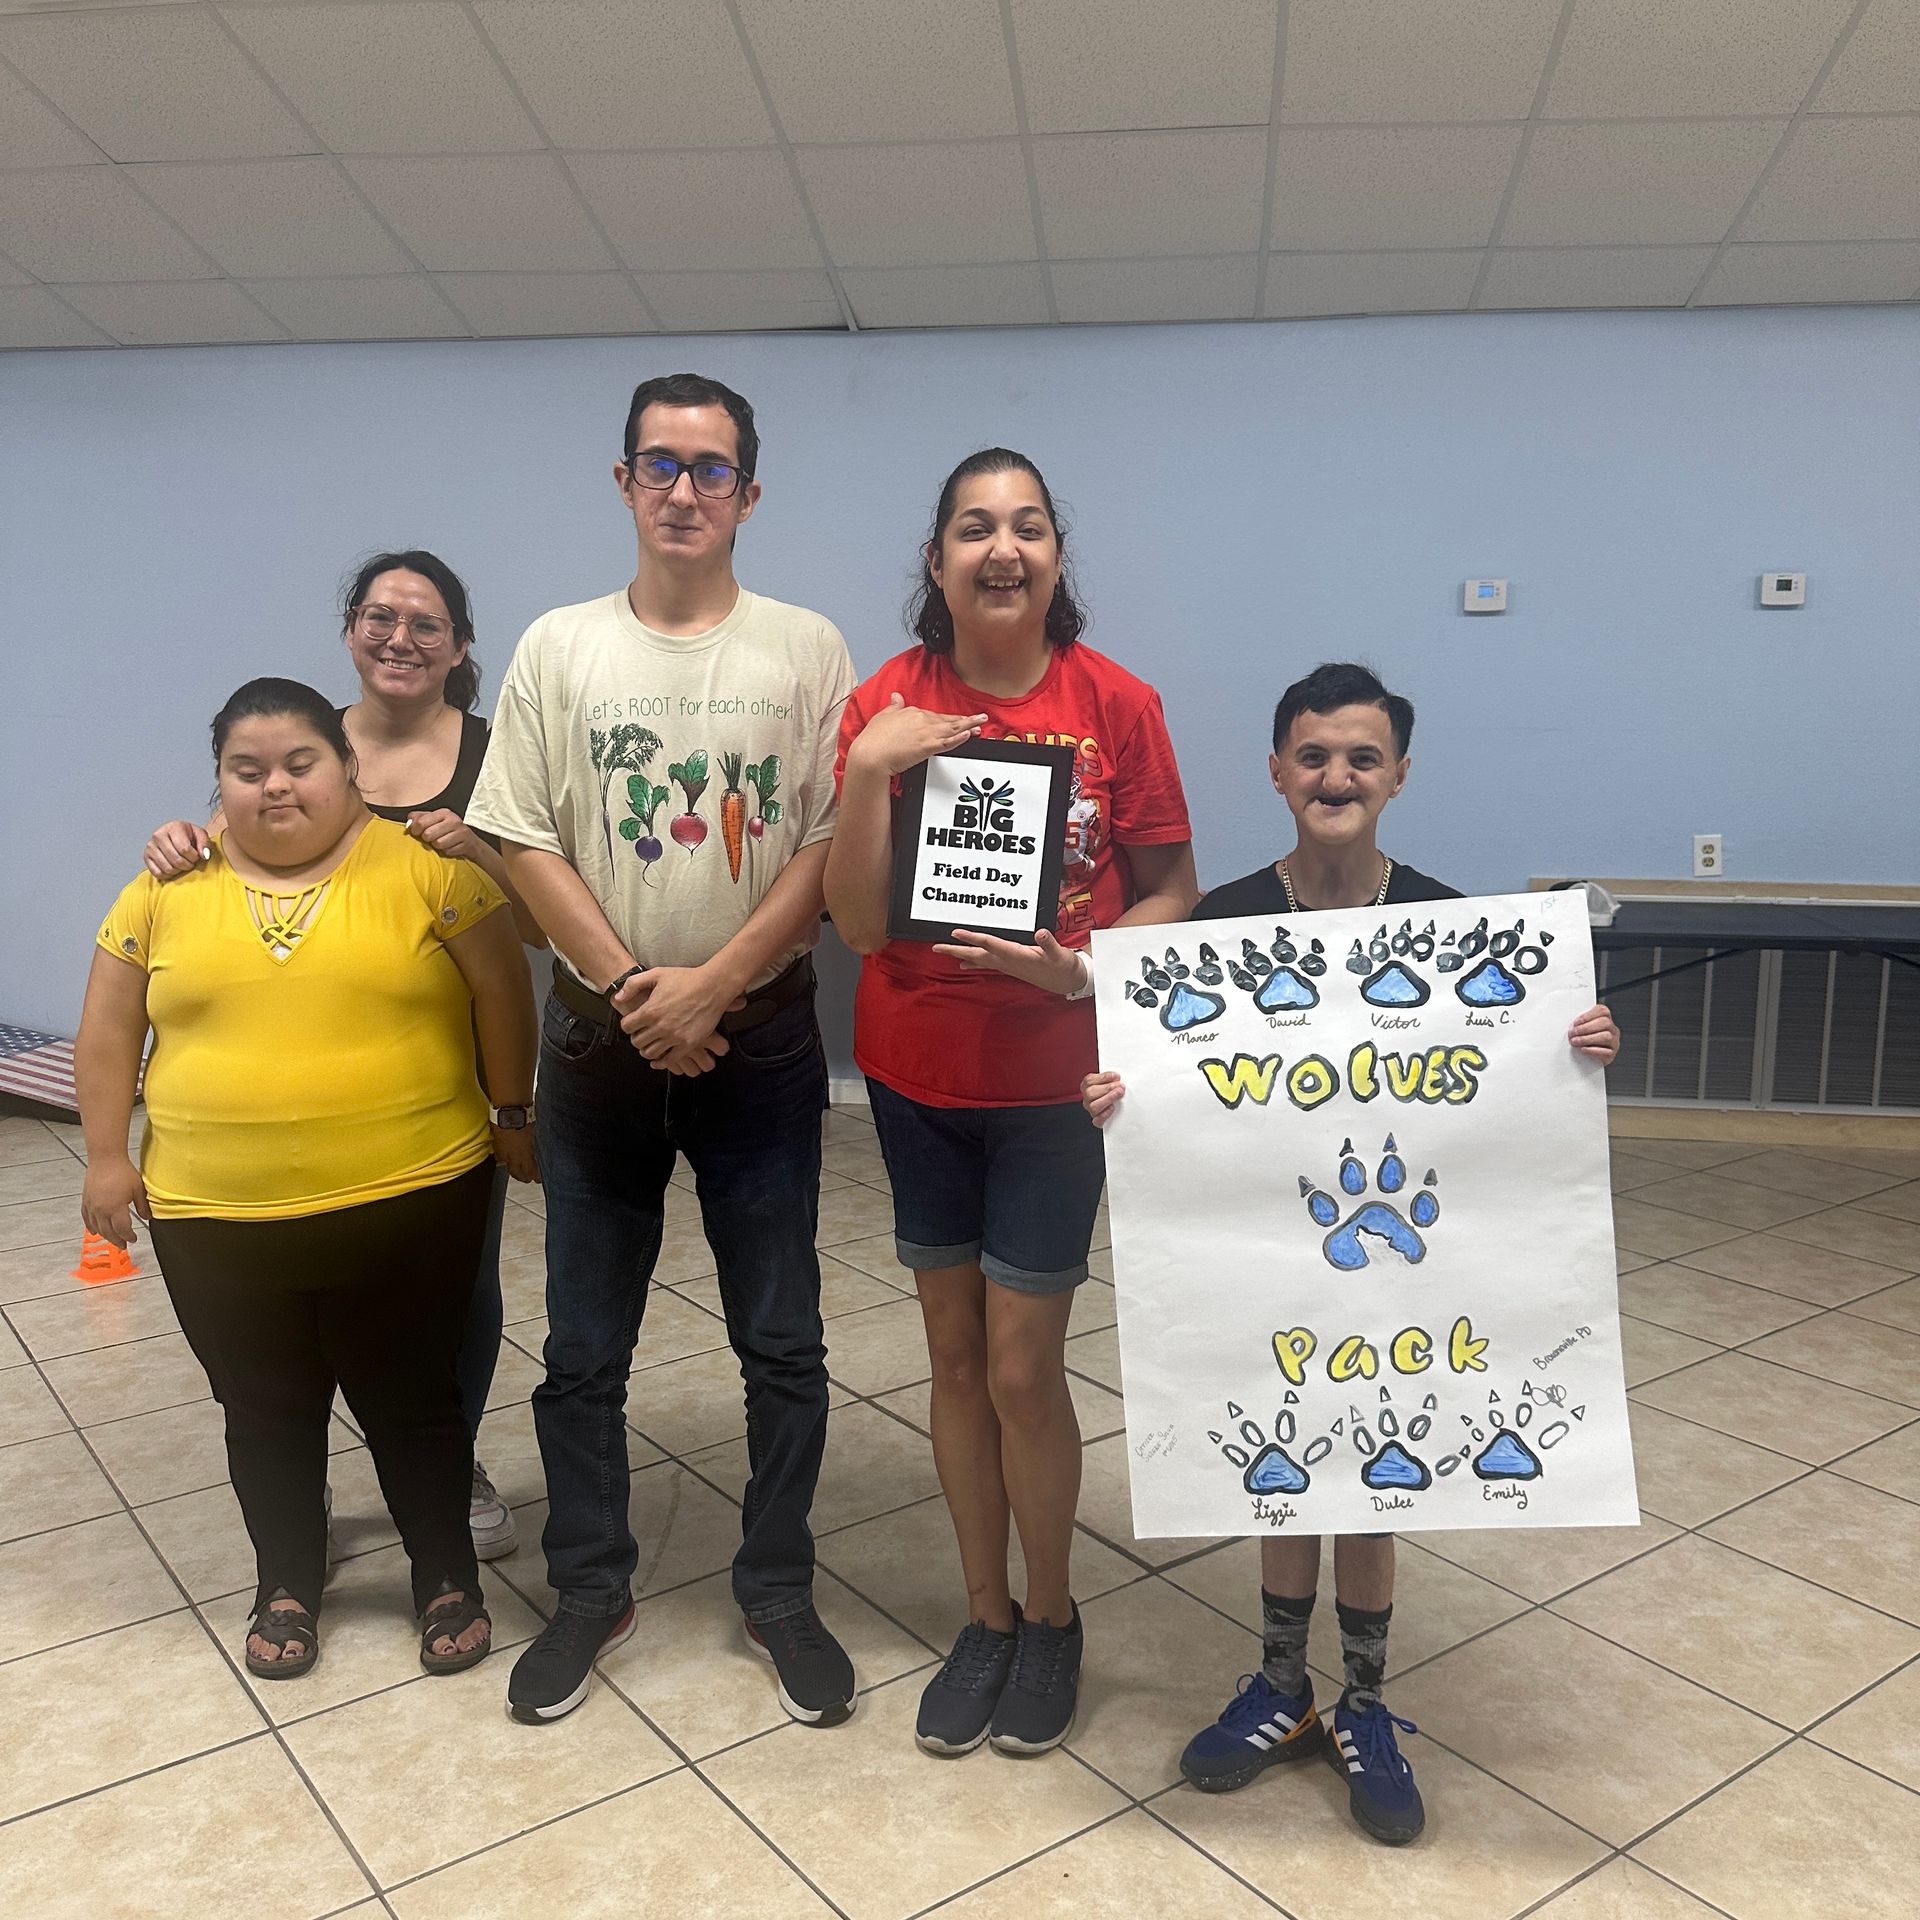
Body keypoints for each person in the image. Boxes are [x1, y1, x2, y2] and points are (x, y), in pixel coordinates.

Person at [1082, 661, 1620, 1843]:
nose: (1337, 776)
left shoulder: (1445, 922)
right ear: (1276, 772)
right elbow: (1165, 1078)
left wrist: (1572, 1037)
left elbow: (1511, 1056)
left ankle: (1365, 1701)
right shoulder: (1216, 924)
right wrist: (1125, 1092)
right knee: (1287, 1453)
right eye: (1314, 755)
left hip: (1401, 1266)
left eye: (1362, 758)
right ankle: (1282, 1686)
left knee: (1375, 1456)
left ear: (1399, 777)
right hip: (1264, 1249)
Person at [467, 372, 859, 1728]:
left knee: (784, 1339)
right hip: (599, 1045)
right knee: (583, 1344)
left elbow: (827, 842)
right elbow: (521, 832)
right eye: (661, 464)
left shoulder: (807, 648)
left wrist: (715, 990)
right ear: (624, 482)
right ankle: (590, 1587)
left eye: (711, 468)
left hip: (759, 1045)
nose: (684, 489)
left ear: (750, 492)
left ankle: (776, 1586)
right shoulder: (558, 646)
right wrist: (642, 988)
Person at [826, 448, 1198, 1757]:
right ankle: (981, 1619)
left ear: (1054, 558)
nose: (1002, 548)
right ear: (936, 562)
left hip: (1053, 1084)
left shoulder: (1120, 705)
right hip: (916, 1076)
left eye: (1027, 527)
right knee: (950, 1358)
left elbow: (1172, 888)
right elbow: (862, 924)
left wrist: (1083, 964)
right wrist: (872, 769)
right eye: (974, 527)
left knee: (1025, 1369)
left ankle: (1052, 1615)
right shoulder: (882, 704)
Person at [76, 679, 539, 1681]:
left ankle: (444, 1572)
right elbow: (111, 1024)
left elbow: (503, 985)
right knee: (264, 1405)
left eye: (300, 763)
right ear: (220, 785)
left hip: (416, 1194)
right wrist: (108, 1156)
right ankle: (285, 1579)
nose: (275, 786)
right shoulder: (165, 884)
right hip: (214, 1211)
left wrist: (512, 1112)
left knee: (415, 1396)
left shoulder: (427, 866)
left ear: (347, 767)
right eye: (248, 771)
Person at [140, 551, 544, 1563]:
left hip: (444, 1090)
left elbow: (543, 931)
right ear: (350, 631)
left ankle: (450, 1462)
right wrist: (176, 840)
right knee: (294, 1314)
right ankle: (300, 1485)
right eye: (379, 616)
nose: (400, 637)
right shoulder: (299, 737)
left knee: (452, 1294)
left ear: (459, 645)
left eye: (425, 622)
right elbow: (227, 850)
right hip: (276, 1089)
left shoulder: (498, 755)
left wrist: (480, 852)